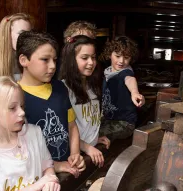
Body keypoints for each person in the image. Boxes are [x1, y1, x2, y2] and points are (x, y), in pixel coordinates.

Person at [16, 30, 85, 176]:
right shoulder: (14, 96)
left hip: (68, 167)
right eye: (45, 60)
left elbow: (71, 126)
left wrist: (75, 153)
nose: (53, 66)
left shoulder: (60, 87)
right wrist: (55, 165)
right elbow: (16, 147)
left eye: (55, 59)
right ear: (24, 60)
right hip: (38, 175)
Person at [59, 35, 110, 168]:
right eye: (84, 58)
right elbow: (64, 129)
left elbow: (86, 120)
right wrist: (86, 146)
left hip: (89, 150)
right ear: (71, 60)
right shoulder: (63, 89)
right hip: (75, 155)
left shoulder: (93, 85)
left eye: (93, 57)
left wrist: (93, 139)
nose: (91, 62)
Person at [100, 36, 145, 141]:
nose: (121, 61)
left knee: (93, 136)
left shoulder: (126, 72)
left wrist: (134, 92)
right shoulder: (108, 72)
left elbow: (129, 80)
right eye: (118, 56)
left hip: (124, 124)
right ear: (109, 54)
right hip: (107, 119)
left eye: (126, 57)